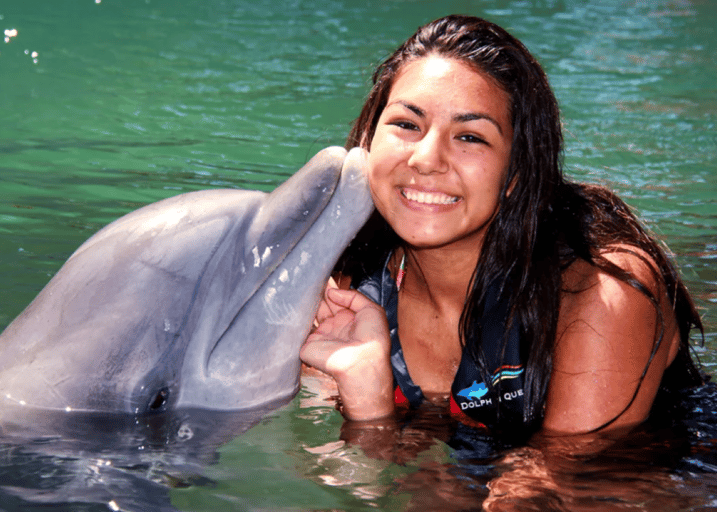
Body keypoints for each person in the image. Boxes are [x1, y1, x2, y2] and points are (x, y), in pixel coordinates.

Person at [300, 14, 705, 439]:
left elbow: (565, 490)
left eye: (471, 136)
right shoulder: (345, 290)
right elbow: (378, 471)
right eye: (406, 124)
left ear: (517, 172)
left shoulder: (597, 293)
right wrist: (368, 405)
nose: (425, 159)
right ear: (368, 141)